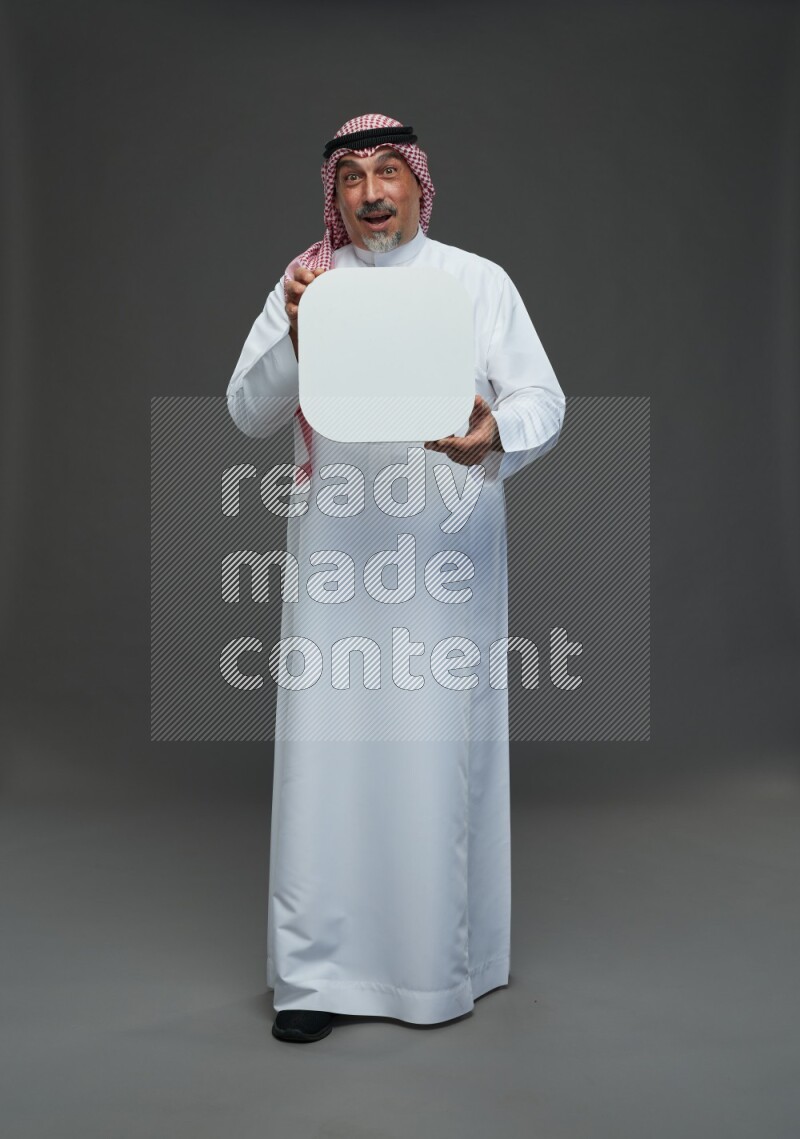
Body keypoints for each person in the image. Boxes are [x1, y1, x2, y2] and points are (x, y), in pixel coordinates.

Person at [226, 113, 566, 1043]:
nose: (373, 193)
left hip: (444, 567)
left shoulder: (476, 283)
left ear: (419, 182)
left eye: (388, 173)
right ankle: (313, 975)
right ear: (333, 196)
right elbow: (249, 411)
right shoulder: (309, 285)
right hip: (337, 565)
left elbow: (544, 398)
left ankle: (432, 970)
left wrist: (493, 431)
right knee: (325, 764)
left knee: (431, 761)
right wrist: (296, 331)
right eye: (352, 180)